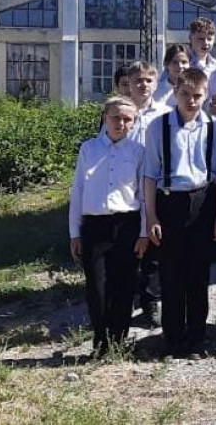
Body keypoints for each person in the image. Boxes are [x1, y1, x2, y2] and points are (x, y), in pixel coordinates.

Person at [143, 68, 216, 359]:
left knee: (198, 274)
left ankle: (196, 337)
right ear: (175, 93)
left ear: (206, 96)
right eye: (185, 94)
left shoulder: (214, 127)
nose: (191, 101)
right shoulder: (158, 127)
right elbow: (149, 175)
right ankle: (172, 338)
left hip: (202, 202)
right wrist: (151, 217)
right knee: (171, 274)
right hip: (169, 202)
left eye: (197, 96)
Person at [69, 96, 148, 356]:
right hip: (95, 225)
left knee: (124, 286)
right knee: (97, 287)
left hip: (126, 224)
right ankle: (101, 342)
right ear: (105, 118)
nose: (121, 123)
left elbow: (144, 196)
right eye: (115, 117)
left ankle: (118, 341)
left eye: (127, 119)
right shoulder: (89, 149)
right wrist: (74, 233)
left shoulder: (138, 151)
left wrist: (143, 232)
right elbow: (78, 191)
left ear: (134, 122)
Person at [126, 60, 170, 328]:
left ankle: (151, 301)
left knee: (153, 247)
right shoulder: (121, 113)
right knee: (129, 244)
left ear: (155, 83)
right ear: (129, 84)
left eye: (148, 80)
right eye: (137, 80)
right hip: (126, 189)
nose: (143, 85)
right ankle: (127, 296)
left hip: (156, 187)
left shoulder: (165, 113)